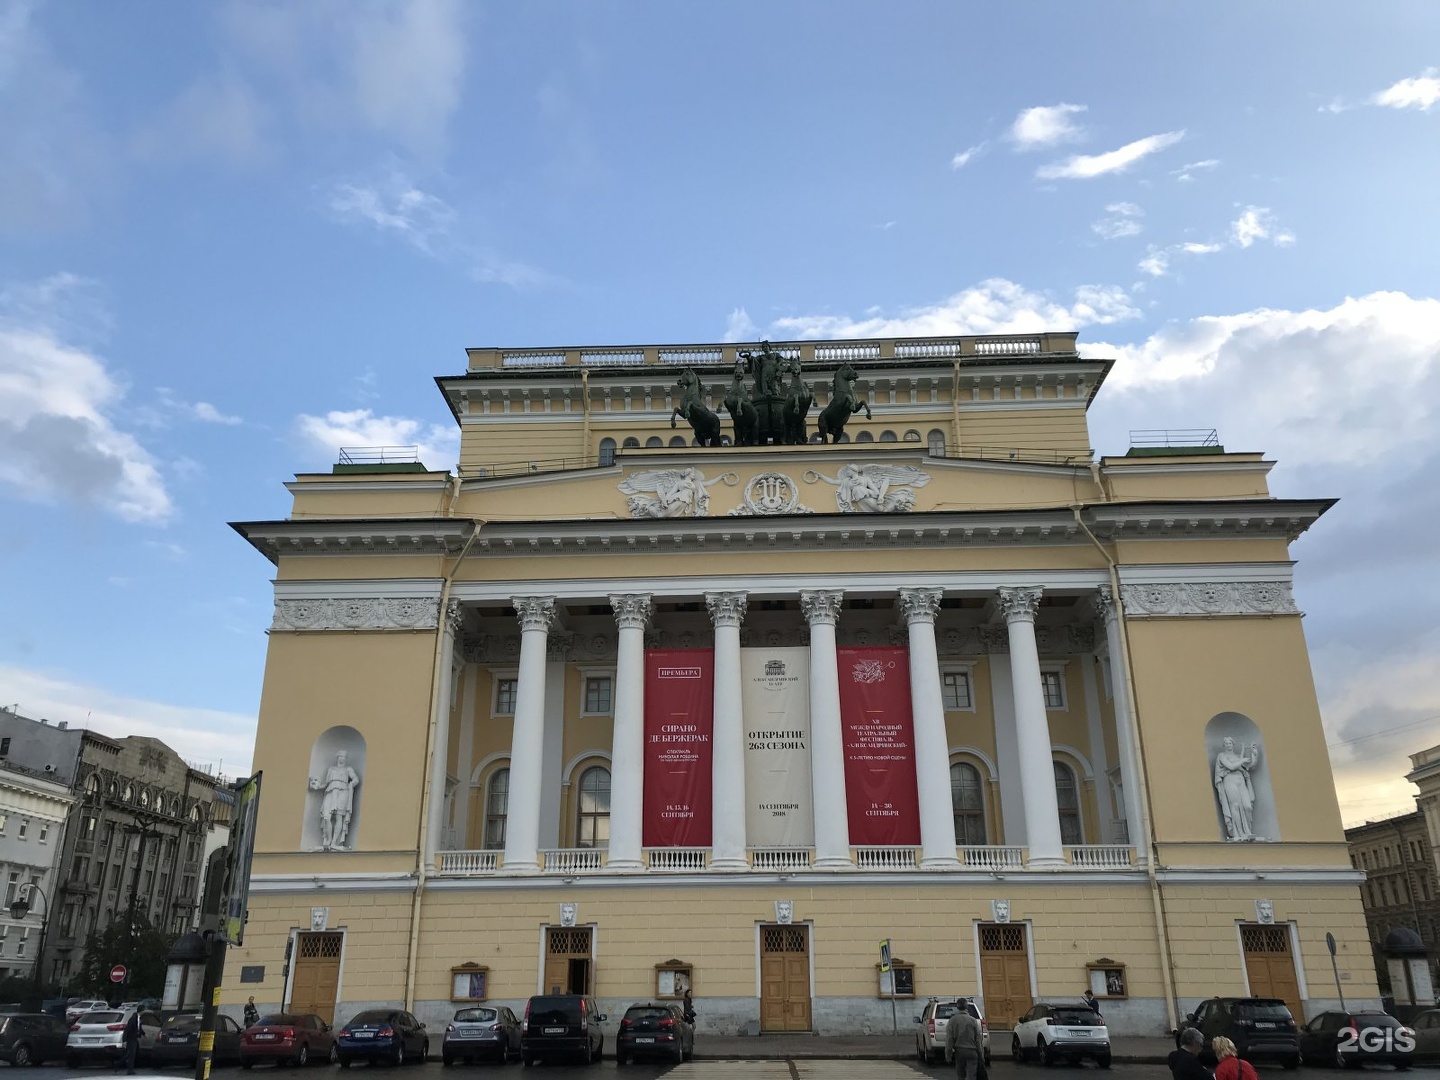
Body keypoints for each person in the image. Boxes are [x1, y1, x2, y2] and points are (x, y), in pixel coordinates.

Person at [309, 750, 361, 849]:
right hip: (331, 791)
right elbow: (326, 783)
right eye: (340, 756)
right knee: (326, 816)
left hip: (343, 792)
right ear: (337, 758)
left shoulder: (348, 769)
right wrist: (318, 786)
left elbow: (356, 779)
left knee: (339, 816)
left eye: (344, 757)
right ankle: (328, 840)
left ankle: (334, 842)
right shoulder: (331, 769)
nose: (342, 758)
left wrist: (351, 784)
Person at [1213, 736, 1261, 840]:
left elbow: (1250, 765)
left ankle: (1248, 831)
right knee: (1235, 805)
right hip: (1229, 780)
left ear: (1233, 744)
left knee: (1247, 806)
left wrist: (1254, 754)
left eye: (1230, 743)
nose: (1228, 745)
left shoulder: (1238, 756)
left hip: (1240, 780)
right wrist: (1242, 760)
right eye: (1226, 743)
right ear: (1224, 745)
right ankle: (1238, 834)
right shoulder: (1222, 756)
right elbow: (1230, 766)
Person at [944, 997, 983, 1080]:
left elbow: (949, 1039)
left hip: (959, 1052)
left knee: (961, 1075)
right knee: (971, 1076)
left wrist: (948, 1055)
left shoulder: (952, 1020)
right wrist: (981, 1055)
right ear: (966, 1007)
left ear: (957, 1007)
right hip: (972, 1051)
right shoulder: (973, 1020)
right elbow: (978, 1039)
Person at [118, 1009, 140, 1075]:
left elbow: (138, 1028)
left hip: (134, 1038)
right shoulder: (133, 1018)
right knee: (131, 1055)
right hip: (131, 1039)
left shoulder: (138, 1018)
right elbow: (127, 1029)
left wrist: (143, 1034)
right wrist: (124, 1040)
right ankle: (130, 1070)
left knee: (128, 1054)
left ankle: (118, 1064)